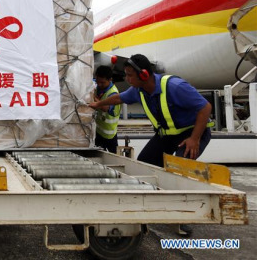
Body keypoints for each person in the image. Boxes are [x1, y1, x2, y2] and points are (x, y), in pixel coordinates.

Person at [89, 54, 213, 237]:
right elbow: (117, 99)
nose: (127, 79)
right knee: (144, 163)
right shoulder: (138, 90)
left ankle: (183, 218)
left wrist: (194, 138)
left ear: (144, 75)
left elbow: (205, 107)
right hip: (167, 135)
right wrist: (97, 104)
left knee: (179, 168)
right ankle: (152, 204)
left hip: (192, 133)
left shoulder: (174, 86)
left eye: (130, 75)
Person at [93, 66, 121, 153]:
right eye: (98, 81)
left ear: (110, 80)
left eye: (102, 82)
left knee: (114, 156)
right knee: (98, 155)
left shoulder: (113, 93)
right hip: (98, 131)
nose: (100, 84)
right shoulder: (97, 86)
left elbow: (105, 108)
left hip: (109, 134)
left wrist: (93, 97)